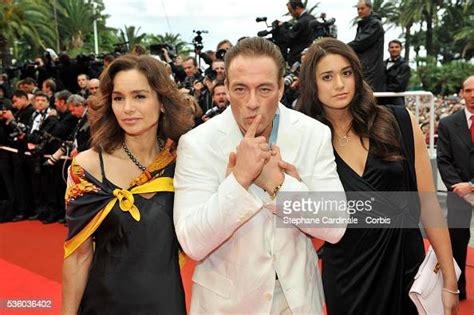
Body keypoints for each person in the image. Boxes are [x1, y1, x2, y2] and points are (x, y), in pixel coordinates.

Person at [173, 37, 347, 314]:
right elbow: (192, 242)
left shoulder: (313, 133)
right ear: (226, 88)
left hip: (297, 300)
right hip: (226, 304)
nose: (252, 103)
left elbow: (335, 226)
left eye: (264, 89)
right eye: (240, 89)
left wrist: (277, 185)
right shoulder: (197, 143)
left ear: (280, 88)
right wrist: (239, 182)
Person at [297, 37, 459, 314]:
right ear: (313, 85)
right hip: (349, 277)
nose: (339, 84)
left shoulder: (399, 121)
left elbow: (429, 206)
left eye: (346, 73)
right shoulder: (307, 141)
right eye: (327, 76)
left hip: (407, 271)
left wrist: (450, 280)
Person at [61, 54, 194, 314]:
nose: (127, 108)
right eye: (118, 98)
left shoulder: (183, 162)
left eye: (140, 96)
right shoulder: (87, 167)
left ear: (163, 102)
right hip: (103, 304)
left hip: (165, 303)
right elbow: (78, 256)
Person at [437, 75, 474, 301]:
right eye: (468, 91)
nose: (473, 96)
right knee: (457, 242)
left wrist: (471, 186)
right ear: (461, 93)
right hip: (457, 193)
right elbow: (444, 160)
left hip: (467, 187)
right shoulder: (448, 124)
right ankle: (457, 287)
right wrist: (458, 187)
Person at [348, 0, 385, 92]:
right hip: (365, 67)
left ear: (370, 8)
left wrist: (340, 47)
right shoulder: (363, 24)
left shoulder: (374, 24)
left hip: (371, 68)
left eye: (362, 8)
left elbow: (360, 43)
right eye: (358, 9)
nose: (359, 11)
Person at [282, 0, 316, 65]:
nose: (291, 14)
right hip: (311, 55)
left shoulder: (301, 22)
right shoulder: (312, 18)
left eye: (291, 11)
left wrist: (283, 29)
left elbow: (288, 39)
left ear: (297, 8)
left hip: (297, 58)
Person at [380, 39, 411, 106]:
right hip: (381, 100)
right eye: (392, 47)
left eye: (396, 47)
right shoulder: (382, 64)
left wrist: (381, 90)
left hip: (396, 100)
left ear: (401, 49)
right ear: (388, 49)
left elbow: (399, 85)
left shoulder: (404, 66)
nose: (394, 49)